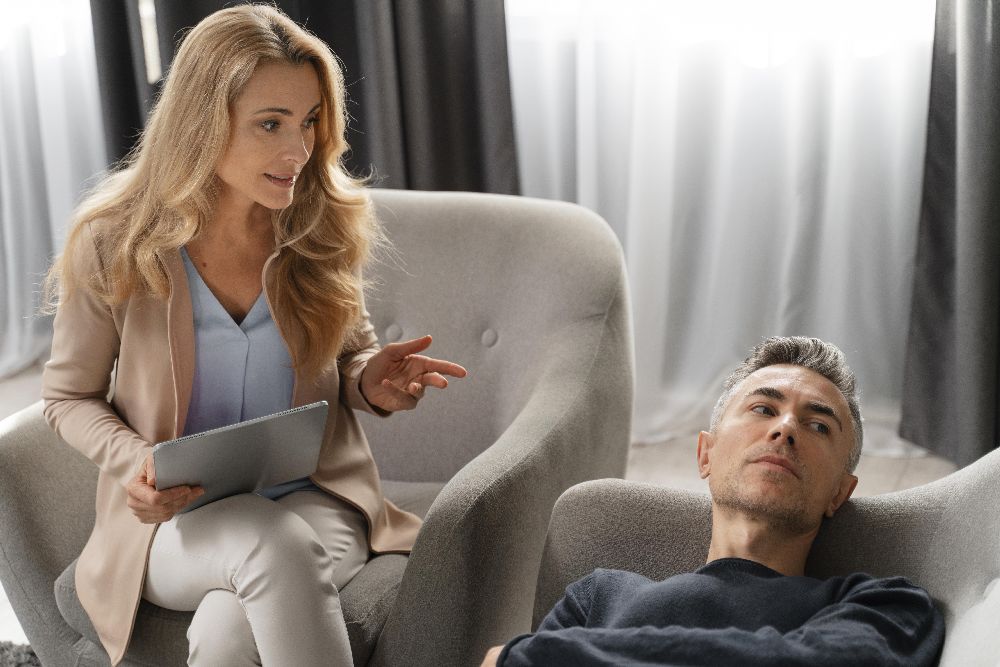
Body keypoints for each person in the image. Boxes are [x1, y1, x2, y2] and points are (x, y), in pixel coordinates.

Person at [41, 5, 466, 666]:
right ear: (202, 121)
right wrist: (136, 461)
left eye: (309, 121)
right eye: (270, 124)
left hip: (315, 498)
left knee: (229, 630)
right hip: (176, 523)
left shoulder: (316, 225)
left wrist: (368, 380)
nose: (297, 151)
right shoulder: (115, 241)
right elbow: (67, 397)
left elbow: (351, 352)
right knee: (272, 544)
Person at [482, 336, 944, 666]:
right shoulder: (599, 596)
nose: (784, 429)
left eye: (818, 425)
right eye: (764, 408)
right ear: (706, 453)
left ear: (839, 492)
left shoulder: (885, 603)